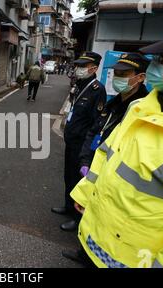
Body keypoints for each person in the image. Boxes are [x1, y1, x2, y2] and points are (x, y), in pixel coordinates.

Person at [70, 18, 163, 268]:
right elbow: (108, 154)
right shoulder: (142, 107)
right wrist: (85, 193)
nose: (154, 66)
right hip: (98, 242)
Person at [51, 51, 106, 232]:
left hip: (81, 144)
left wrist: (87, 151)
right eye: (78, 66)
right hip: (71, 141)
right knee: (68, 176)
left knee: (78, 181)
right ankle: (68, 206)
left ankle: (77, 217)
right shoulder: (81, 84)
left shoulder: (97, 90)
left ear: (94, 68)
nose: (79, 69)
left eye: (83, 66)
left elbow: (95, 123)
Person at [77, 53, 150, 178]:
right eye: (116, 73)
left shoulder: (144, 109)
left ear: (140, 77)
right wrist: (85, 160)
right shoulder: (112, 104)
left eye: (124, 74)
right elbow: (94, 132)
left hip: (115, 175)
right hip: (94, 166)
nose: (117, 78)